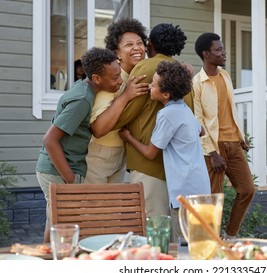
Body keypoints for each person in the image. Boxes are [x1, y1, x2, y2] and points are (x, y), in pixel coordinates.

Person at [36, 47, 123, 242]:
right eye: (115, 77)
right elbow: (50, 139)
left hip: (59, 169)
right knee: (62, 229)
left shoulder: (83, 87)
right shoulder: (82, 99)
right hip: (58, 170)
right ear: (97, 79)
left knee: (54, 224)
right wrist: (70, 179)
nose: (120, 81)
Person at [119, 61, 211, 241]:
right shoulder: (184, 109)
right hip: (199, 183)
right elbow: (201, 131)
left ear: (166, 94)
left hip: (183, 189)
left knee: (182, 242)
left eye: (153, 84)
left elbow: (150, 153)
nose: (150, 86)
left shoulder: (167, 115)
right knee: (199, 239)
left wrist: (128, 137)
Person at [112, 23, 192, 219]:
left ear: (150, 44)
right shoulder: (182, 74)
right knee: (173, 231)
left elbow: (124, 114)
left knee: (153, 227)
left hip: (147, 162)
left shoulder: (146, 67)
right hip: (176, 166)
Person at [192, 32, 255, 239]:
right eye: (218, 49)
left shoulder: (225, 76)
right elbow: (198, 121)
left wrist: (240, 135)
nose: (223, 52)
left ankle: (230, 235)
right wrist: (211, 152)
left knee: (247, 190)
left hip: (234, 143)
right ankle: (209, 241)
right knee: (213, 199)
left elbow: (230, 109)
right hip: (214, 148)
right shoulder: (197, 83)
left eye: (222, 48)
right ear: (206, 53)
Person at [84, 18, 149, 184]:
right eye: (128, 44)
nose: (136, 48)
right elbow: (97, 129)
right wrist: (126, 95)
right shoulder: (112, 77)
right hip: (100, 153)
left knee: (116, 208)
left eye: (140, 43)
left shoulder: (136, 75)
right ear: (117, 52)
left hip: (122, 153)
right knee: (96, 208)